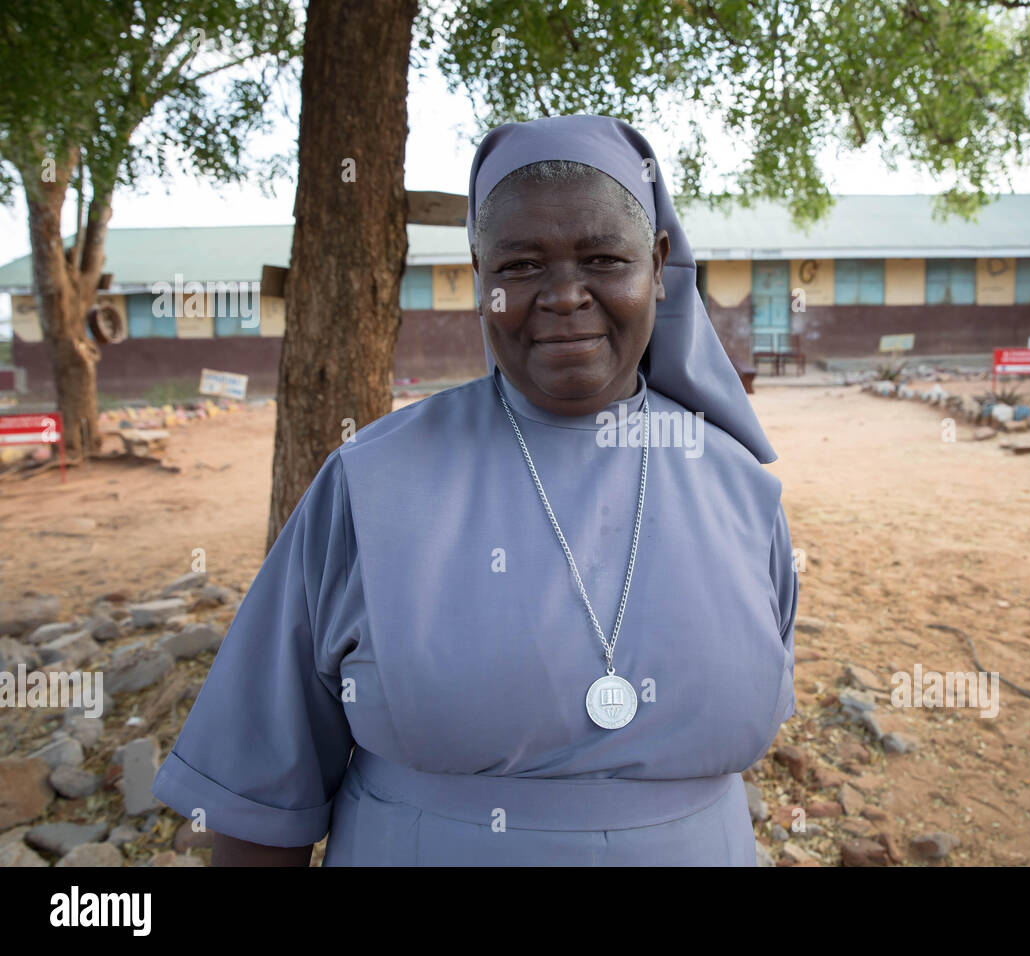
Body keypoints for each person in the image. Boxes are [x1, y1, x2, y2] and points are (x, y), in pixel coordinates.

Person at [152, 113, 798, 866]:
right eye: (520, 266)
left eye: (602, 258)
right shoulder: (370, 483)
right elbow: (257, 802)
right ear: (479, 276)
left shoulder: (739, 492)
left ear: (657, 265)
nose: (564, 295)